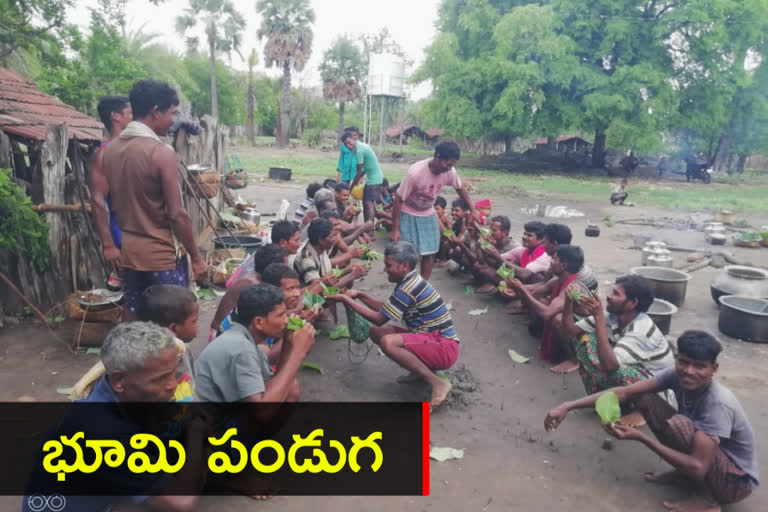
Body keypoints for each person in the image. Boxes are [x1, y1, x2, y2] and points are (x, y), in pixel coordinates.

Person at [545, 330, 759, 512]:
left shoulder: (718, 404)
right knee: (644, 397)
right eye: (683, 362)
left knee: (680, 426)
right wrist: (567, 406)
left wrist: (642, 438)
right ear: (677, 359)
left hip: (734, 483)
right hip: (709, 459)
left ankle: (708, 500)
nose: (689, 371)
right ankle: (684, 475)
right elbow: (624, 392)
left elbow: (699, 466)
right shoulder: (676, 374)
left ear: (714, 369)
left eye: (699, 366)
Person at [24, 322, 209, 512]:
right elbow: (182, 503)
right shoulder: (100, 432)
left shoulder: (115, 386)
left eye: (173, 374)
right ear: (119, 381)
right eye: (159, 379)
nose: (172, 385)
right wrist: (196, 432)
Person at [102, 80, 207, 320]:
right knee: (172, 322)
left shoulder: (110, 151)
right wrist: (197, 258)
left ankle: (129, 358)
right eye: (171, 113)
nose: (173, 120)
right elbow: (176, 214)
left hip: (129, 253)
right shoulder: (160, 152)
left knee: (133, 316)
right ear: (156, 111)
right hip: (162, 257)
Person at [327, 242, 459, 409]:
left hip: (444, 347)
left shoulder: (407, 287)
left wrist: (346, 299)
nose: (384, 269)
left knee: (388, 342)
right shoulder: (410, 281)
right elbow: (387, 309)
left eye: (389, 265)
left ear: (404, 266)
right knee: (377, 333)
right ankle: (422, 372)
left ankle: (436, 382)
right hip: (435, 340)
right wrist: (360, 295)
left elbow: (379, 318)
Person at [562, 276, 675, 425]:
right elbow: (570, 330)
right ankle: (610, 400)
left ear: (632, 303)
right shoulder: (614, 317)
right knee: (586, 342)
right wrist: (569, 301)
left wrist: (598, 318)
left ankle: (643, 411)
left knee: (618, 370)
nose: (608, 296)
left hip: (659, 393)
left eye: (616, 294)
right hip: (637, 375)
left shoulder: (641, 330)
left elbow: (611, 366)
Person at [69, 284, 201, 403]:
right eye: (194, 321)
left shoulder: (179, 350)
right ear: (173, 329)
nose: (172, 385)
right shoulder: (142, 362)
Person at [195, 284, 316, 403]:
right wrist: (297, 353)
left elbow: (274, 382)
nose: (286, 320)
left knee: (290, 387)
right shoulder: (242, 348)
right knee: (289, 388)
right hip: (208, 418)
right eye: (280, 315)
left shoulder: (247, 339)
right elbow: (262, 412)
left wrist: (288, 343)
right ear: (259, 322)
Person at [392, 141, 478, 279]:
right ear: (438, 157)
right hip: (408, 211)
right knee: (408, 254)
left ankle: (423, 285)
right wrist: (395, 229)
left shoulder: (450, 172)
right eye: (448, 164)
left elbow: (460, 189)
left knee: (430, 251)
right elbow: (398, 199)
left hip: (427, 212)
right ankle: (407, 285)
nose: (450, 168)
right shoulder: (415, 173)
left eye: (452, 165)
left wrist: (473, 209)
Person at [506, 245, 584, 366]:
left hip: (582, 334)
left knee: (557, 319)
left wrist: (521, 290)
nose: (551, 262)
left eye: (554, 259)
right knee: (540, 301)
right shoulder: (557, 280)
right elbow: (535, 292)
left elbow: (547, 314)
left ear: (563, 265)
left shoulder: (573, 286)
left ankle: (573, 359)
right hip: (570, 325)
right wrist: (514, 289)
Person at [89, 95, 132, 291]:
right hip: (119, 230)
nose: (134, 117)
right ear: (115, 116)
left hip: (137, 228)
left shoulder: (132, 146)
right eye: (130, 113)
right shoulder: (104, 153)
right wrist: (108, 245)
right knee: (131, 288)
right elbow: (98, 200)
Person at [209, 243, 287, 339]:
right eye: (284, 268)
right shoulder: (252, 285)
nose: (286, 271)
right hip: (221, 336)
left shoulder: (254, 275)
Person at [293, 218, 366, 288]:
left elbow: (326, 276)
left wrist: (348, 270)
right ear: (321, 240)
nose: (336, 238)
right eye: (332, 236)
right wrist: (352, 275)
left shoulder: (320, 248)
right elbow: (317, 288)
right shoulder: (306, 258)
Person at [345, 132, 384, 223]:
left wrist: (351, 186)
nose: (348, 145)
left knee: (369, 203)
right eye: (346, 144)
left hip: (374, 180)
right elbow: (365, 169)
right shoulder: (363, 146)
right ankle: (367, 226)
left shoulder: (359, 150)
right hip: (374, 178)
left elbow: (358, 172)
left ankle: (370, 229)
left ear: (353, 138)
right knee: (365, 202)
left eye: (349, 142)